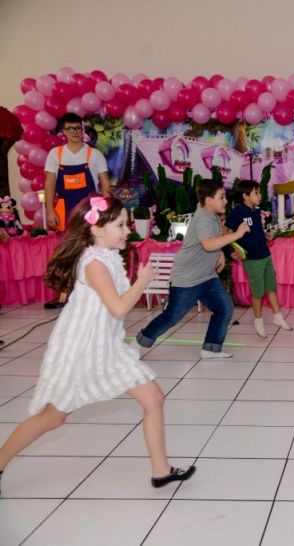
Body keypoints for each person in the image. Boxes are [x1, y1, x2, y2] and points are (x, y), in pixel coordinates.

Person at [0, 196, 195, 495]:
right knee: (52, 418)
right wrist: (142, 283)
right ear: (96, 229)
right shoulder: (93, 263)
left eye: (127, 223)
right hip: (83, 349)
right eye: (119, 225)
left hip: (107, 346)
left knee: (153, 397)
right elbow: (118, 308)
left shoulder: (107, 256)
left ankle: (161, 470)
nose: (126, 230)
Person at [135, 178, 249, 359]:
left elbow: (212, 242)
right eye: (221, 197)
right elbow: (208, 244)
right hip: (187, 279)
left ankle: (211, 349)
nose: (225, 201)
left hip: (207, 277)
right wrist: (237, 234)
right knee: (172, 316)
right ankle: (137, 344)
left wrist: (220, 253)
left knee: (224, 307)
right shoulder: (203, 218)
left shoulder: (212, 215)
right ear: (209, 200)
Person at [43, 113, 113, 309]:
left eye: (79, 128)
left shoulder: (94, 154)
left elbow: (105, 184)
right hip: (64, 209)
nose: (76, 132)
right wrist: (50, 211)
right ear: (63, 131)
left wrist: (108, 212)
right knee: (66, 253)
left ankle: (96, 294)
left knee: (91, 252)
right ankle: (63, 294)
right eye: (71, 128)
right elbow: (49, 184)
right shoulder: (55, 154)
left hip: (89, 209)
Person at [225, 179, 292, 337]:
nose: (260, 195)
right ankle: (258, 320)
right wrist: (236, 247)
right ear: (245, 196)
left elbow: (255, 231)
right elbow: (225, 231)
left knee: (271, 287)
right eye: (256, 193)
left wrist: (265, 235)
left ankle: (278, 317)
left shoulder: (256, 211)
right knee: (258, 292)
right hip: (252, 258)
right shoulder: (238, 212)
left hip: (265, 254)